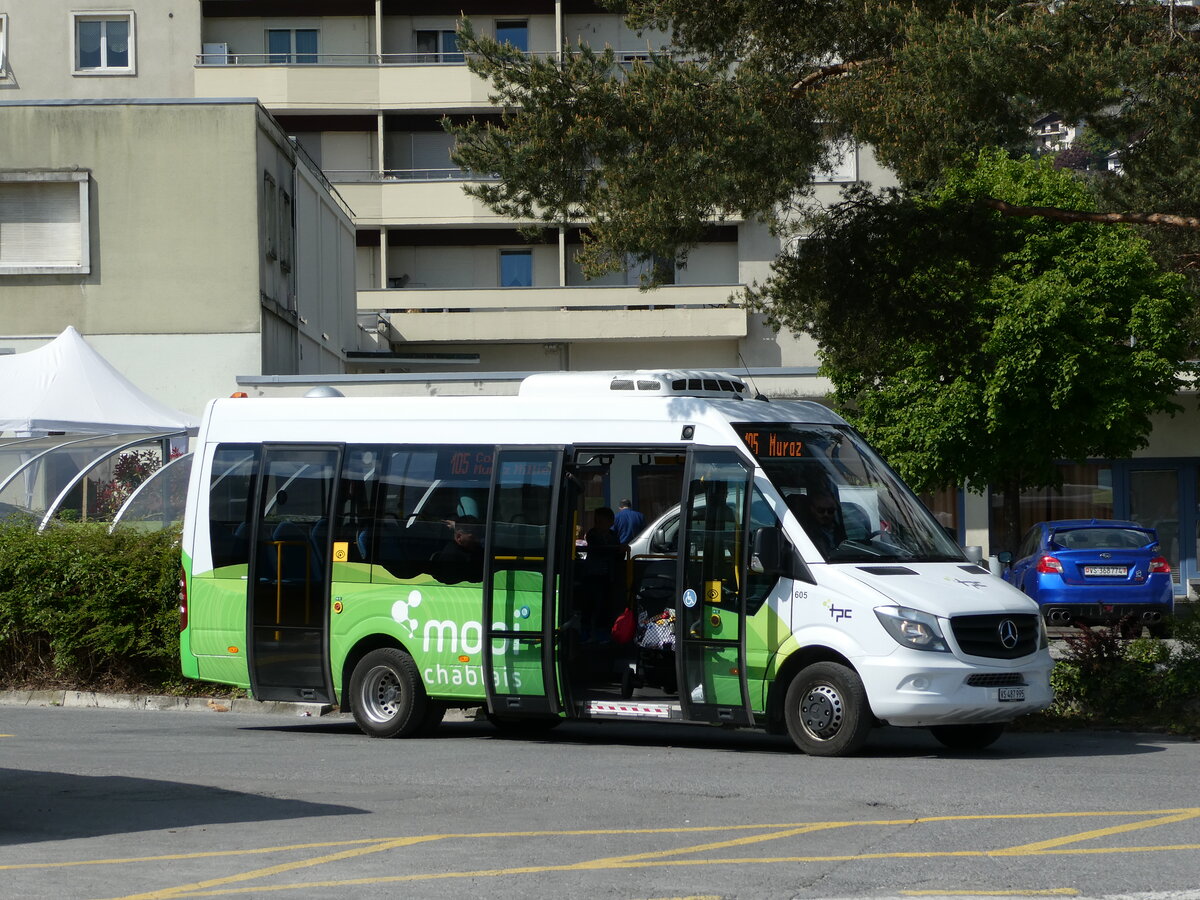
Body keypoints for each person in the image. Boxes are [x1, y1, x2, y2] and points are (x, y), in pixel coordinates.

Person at [579, 507, 625, 641]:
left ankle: (602, 632)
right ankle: (586, 631)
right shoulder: (592, 534)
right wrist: (617, 549)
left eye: (602, 521)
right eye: (597, 521)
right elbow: (602, 549)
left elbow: (616, 555)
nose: (598, 523)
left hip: (607, 575)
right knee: (589, 604)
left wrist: (620, 551)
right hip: (592, 574)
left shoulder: (612, 535)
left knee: (604, 605)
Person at [788, 490, 844, 557]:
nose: (826, 514)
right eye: (821, 510)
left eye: (830, 511)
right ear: (812, 509)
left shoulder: (839, 530)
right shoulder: (804, 532)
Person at [430, 515, 484, 583]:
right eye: (474, 537)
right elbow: (477, 577)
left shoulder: (469, 548)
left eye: (479, 536)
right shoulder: (454, 558)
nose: (479, 540)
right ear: (459, 537)